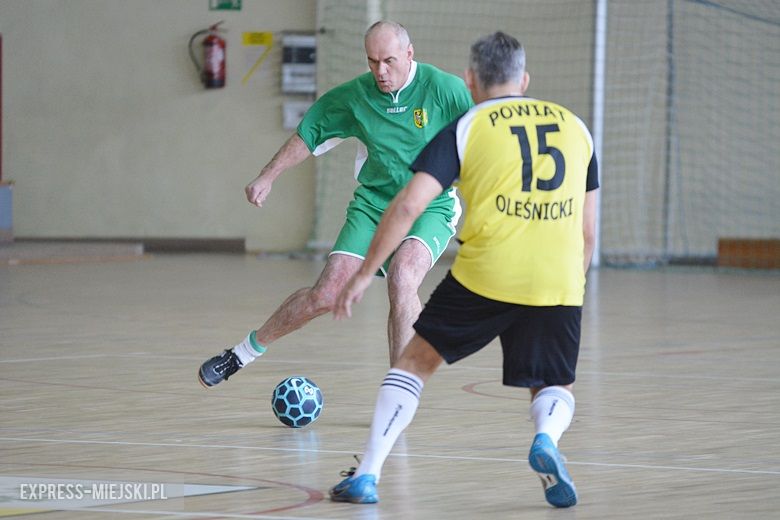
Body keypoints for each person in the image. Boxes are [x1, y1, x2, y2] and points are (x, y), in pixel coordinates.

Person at [328, 31, 599, 508]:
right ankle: (546, 439)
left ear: (470, 80)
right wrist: (570, 287)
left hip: (487, 272)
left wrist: (365, 272)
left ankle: (367, 474)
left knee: (413, 364)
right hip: (558, 275)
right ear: (525, 80)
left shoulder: (468, 125)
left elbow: (409, 206)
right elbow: (589, 231)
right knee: (554, 381)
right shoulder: (576, 128)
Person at [197, 21, 473, 387]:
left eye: (389, 61)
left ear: (409, 54)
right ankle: (241, 354)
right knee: (325, 295)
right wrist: (267, 175)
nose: (380, 71)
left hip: (430, 205)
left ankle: (400, 391)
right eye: (372, 61)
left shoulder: (445, 90)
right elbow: (309, 134)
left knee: (403, 277)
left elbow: (485, 141)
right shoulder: (355, 96)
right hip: (374, 206)